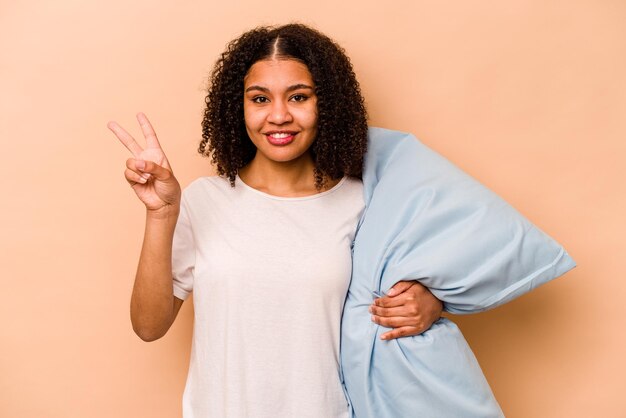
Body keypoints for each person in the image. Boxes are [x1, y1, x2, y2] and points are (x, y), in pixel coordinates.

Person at [109, 24, 443, 417]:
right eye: (260, 98)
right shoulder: (203, 200)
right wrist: (161, 214)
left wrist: (433, 303)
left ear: (328, 104)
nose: (279, 116)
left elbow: (395, 300)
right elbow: (149, 327)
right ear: (239, 107)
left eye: (298, 97)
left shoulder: (363, 202)